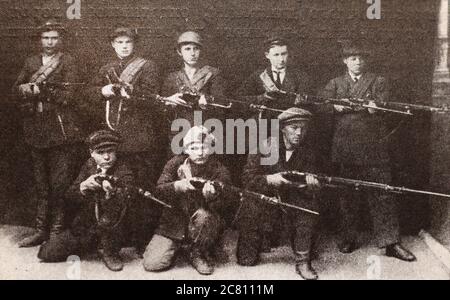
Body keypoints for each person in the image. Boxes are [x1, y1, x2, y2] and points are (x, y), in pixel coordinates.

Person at [319, 40, 416, 262]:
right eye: (353, 58)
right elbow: (321, 105)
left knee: (382, 193)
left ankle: (390, 242)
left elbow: (386, 107)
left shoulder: (378, 81)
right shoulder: (335, 83)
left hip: (374, 147)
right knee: (347, 195)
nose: (358, 62)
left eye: (362, 58)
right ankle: (348, 237)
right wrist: (334, 106)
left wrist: (375, 108)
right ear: (345, 61)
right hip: (345, 147)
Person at [12, 19, 85, 247]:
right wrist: (26, 89)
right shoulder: (31, 61)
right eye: (46, 37)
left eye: (54, 38)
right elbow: (15, 90)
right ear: (40, 40)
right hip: (36, 130)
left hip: (61, 131)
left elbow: (70, 95)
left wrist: (40, 90)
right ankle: (41, 229)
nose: (50, 42)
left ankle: (56, 231)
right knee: (42, 185)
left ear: (60, 40)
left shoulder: (68, 61)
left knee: (59, 184)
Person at [37, 130, 150, 271]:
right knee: (46, 253)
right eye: (100, 152)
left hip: (113, 229)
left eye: (111, 151)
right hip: (86, 226)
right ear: (91, 153)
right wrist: (83, 186)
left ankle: (109, 251)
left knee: (112, 215)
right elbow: (69, 196)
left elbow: (130, 191)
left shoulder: (122, 167)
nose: (107, 157)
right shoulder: (89, 166)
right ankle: (91, 245)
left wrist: (112, 192)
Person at [236, 107, 322, 280]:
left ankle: (302, 261)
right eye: (294, 128)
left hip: (293, 202)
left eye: (303, 128)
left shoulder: (310, 152)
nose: (299, 133)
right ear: (282, 128)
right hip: (265, 200)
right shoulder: (265, 147)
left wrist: (312, 185)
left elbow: (315, 183)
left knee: (308, 208)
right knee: (246, 259)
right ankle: (262, 239)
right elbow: (247, 179)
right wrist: (269, 180)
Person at [143, 126, 234, 275]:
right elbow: (158, 191)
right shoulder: (174, 164)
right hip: (174, 223)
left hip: (203, 222)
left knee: (205, 217)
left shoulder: (219, 169)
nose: (200, 152)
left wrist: (212, 198)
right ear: (186, 149)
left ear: (211, 149)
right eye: (194, 147)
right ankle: (178, 246)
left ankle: (197, 251)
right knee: (153, 263)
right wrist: (178, 186)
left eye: (205, 147)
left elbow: (229, 203)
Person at [160, 31, 227, 148]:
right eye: (187, 49)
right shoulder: (172, 78)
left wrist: (208, 101)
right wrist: (169, 101)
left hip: (206, 128)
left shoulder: (212, 73)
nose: (192, 53)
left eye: (196, 48)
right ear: (179, 52)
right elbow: (162, 110)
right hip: (179, 131)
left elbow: (222, 103)